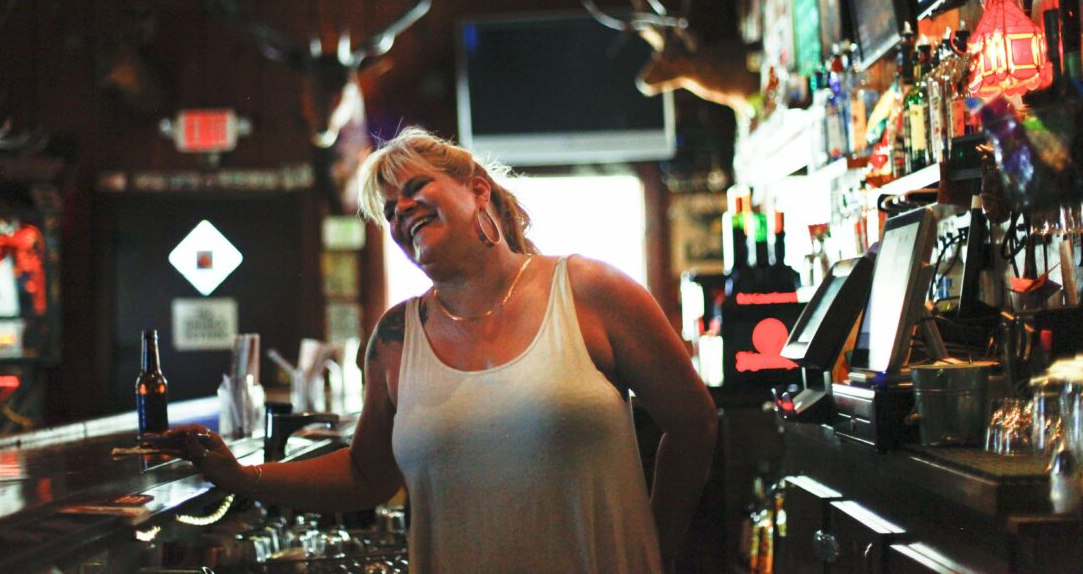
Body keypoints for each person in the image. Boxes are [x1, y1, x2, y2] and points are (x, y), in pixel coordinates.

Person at [144, 127, 717, 573]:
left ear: (478, 191)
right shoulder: (395, 338)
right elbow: (367, 475)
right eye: (390, 210)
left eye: (416, 189)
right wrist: (242, 477)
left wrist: (657, 549)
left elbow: (693, 422)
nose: (402, 212)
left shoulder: (589, 290)